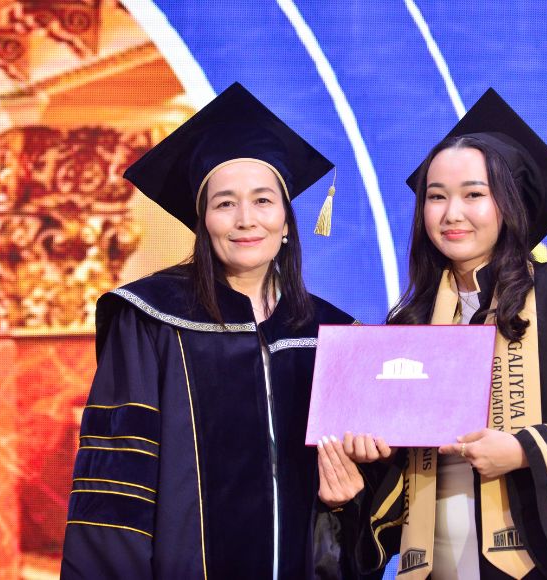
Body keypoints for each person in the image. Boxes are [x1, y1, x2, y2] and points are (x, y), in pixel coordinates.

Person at [347, 89, 547, 579]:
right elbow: (394, 465)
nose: (452, 213)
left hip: (535, 559)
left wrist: (522, 450)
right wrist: (370, 453)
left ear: (510, 205)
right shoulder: (410, 323)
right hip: (436, 561)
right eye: (436, 196)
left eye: (474, 194)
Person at [60, 82, 364, 579]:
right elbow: (116, 484)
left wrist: (346, 502)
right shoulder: (151, 320)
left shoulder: (330, 333)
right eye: (225, 204)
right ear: (202, 221)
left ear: (287, 221)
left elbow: (354, 503)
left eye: (263, 201)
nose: (246, 220)